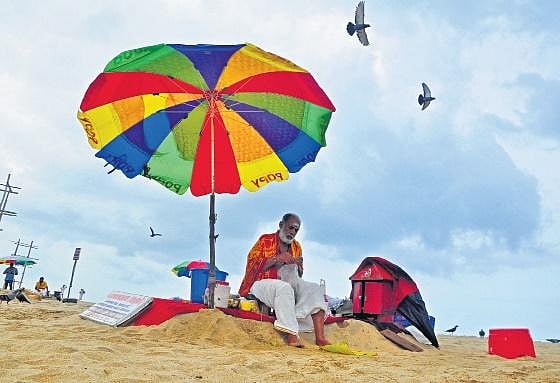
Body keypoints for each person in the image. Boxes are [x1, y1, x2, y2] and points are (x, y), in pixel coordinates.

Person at [238, 213, 330, 347]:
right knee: (284, 288)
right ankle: (292, 335)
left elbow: (299, 276)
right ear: (281, 225)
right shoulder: (265, 240)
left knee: (315, 288)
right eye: (290, 227)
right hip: (260, 283)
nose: (292, 232)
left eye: (296, 230)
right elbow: (252, 264)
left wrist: (298, 266)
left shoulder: (297, 247)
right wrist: (277, 259)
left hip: (288, 285)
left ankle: (320, 338)